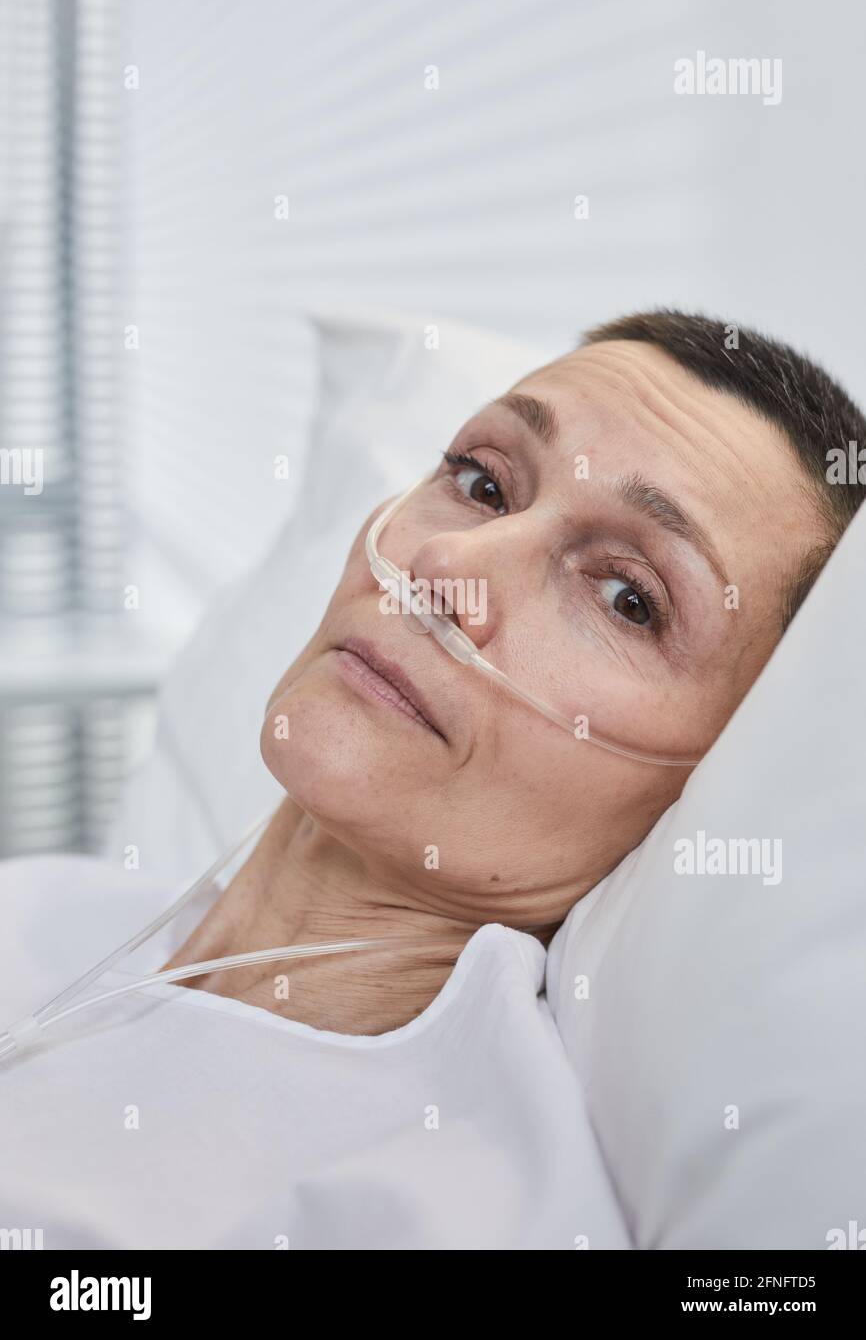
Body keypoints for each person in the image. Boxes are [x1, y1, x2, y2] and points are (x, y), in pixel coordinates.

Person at [1, 309, 863, 1250]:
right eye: (483, 483)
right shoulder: (45, 908)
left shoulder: (453, 1205)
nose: (445, 566)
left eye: (628, 598)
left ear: (715, 773)